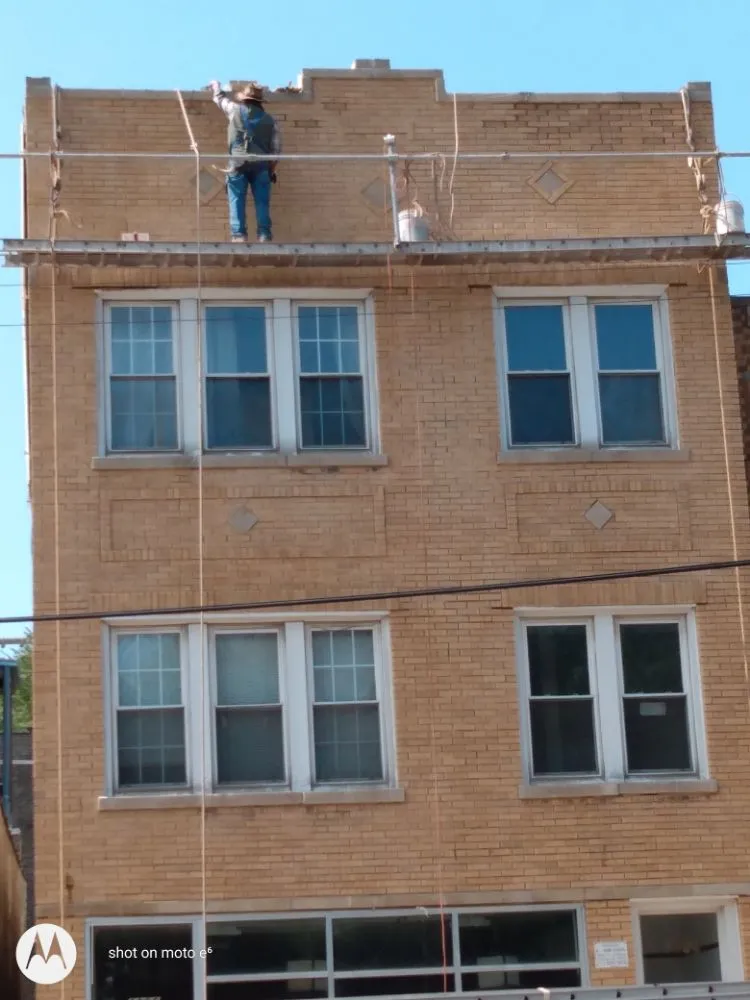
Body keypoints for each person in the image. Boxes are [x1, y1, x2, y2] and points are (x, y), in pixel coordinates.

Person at [209, 80, 282, 243]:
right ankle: (264, 235)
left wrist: (215, 87)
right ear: (260, 102)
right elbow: (276, 151)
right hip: (262, 165)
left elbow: (220, 100)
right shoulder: (271, 120)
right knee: (262, 202)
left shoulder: (235, 110)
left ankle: (239, 235)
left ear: (244, 99)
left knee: (236, 199)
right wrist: (270, 170)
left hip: (237, 163)